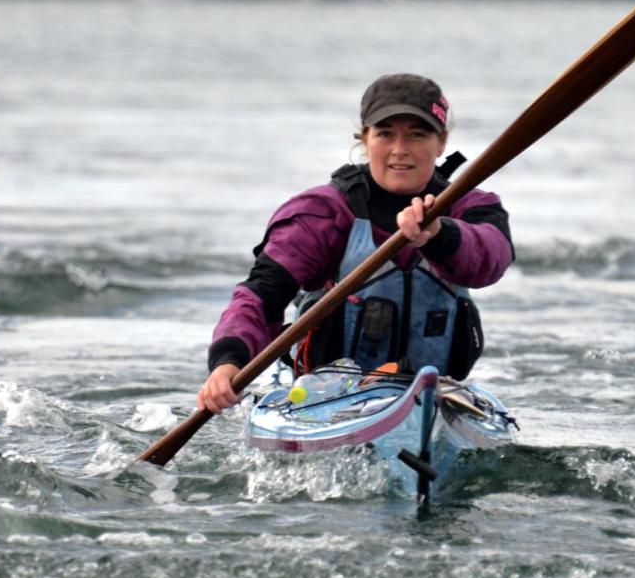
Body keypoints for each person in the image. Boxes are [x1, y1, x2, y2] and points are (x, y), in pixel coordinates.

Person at [197, 73, 514, 414]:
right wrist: (228, 360)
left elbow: (490, 260)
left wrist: (439, 235)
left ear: (441, 142)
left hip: (434, 397)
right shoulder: (322, 213)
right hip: (330, 401)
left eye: (417, 135)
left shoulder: (472, 207)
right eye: (385, 134)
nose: (399, 149)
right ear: (365, 138)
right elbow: (262, 295)